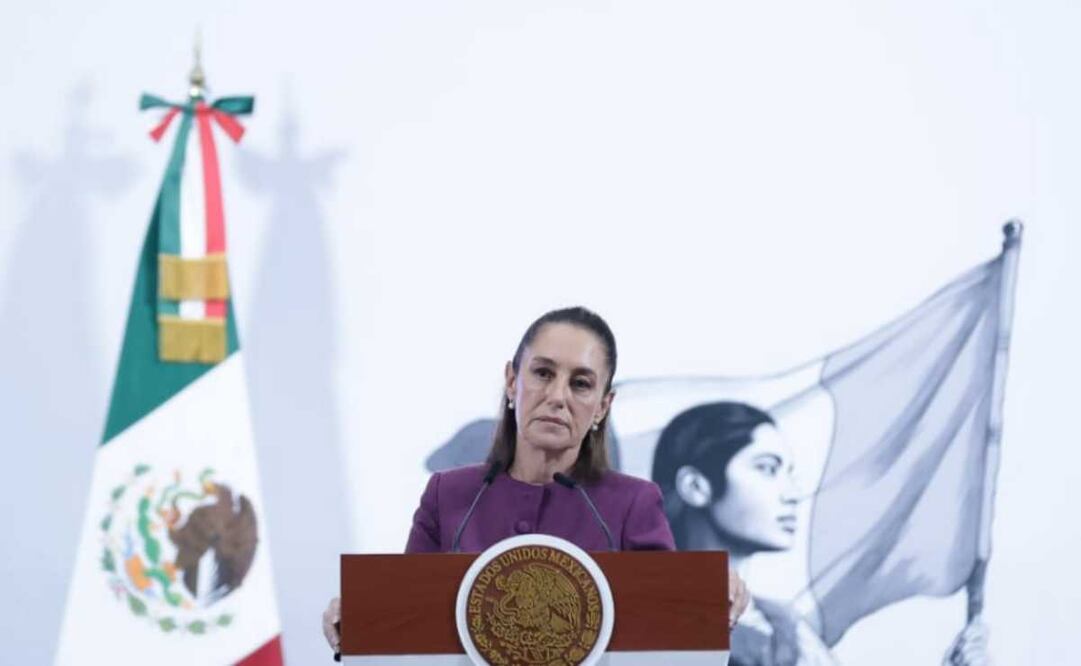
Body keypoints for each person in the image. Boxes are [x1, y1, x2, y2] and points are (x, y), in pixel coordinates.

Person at [322, 306, 749, 656]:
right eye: (543, 373)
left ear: (602, 406)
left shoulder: (633, 503)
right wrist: (358, 621)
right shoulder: (447, 495)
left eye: (580, 384)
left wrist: (713, 598)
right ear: (512, 381)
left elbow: (670, 633)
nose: (558, 396)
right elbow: (408, 624)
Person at [651, 401, 988, 666]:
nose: (793, 492)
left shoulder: (781, 625)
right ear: (696, 486)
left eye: (789, 472)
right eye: (767, 468)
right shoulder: (639, 612)